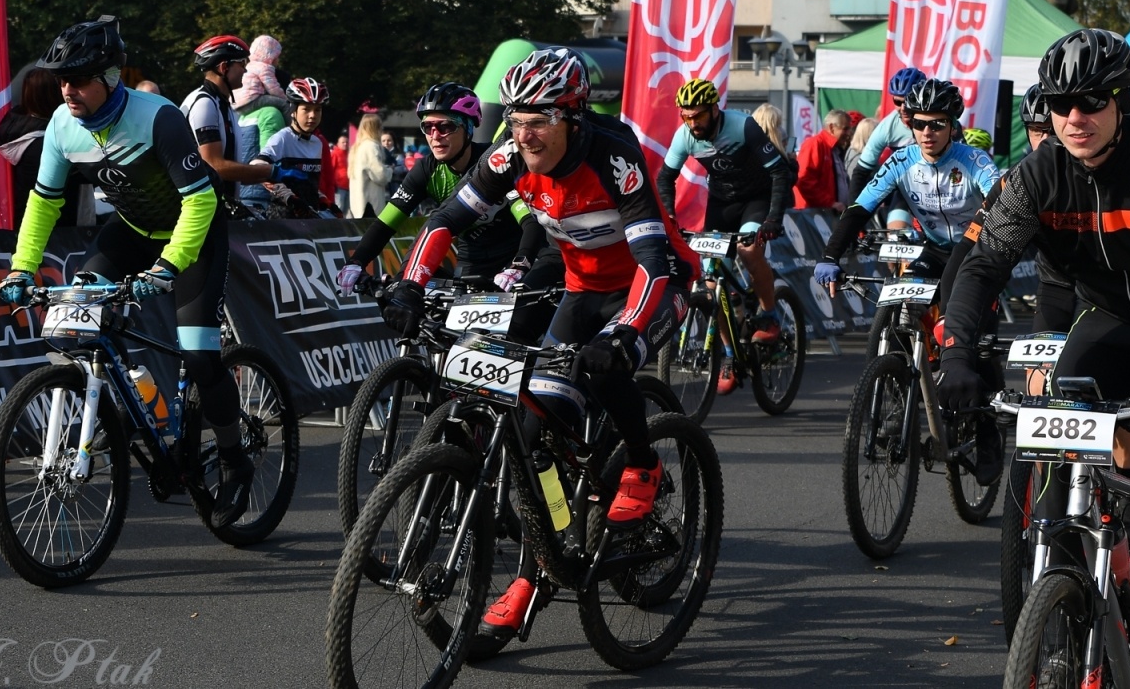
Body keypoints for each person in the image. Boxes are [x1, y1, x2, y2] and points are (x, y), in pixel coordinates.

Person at [937, 28, 1130, 688]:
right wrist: (959, 351)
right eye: (1060, 105)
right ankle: (1069, 605)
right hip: (1104, 322)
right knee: (1052, 449)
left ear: (1120, 103)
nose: (1074, 118)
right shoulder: (1038, 173)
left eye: (1090, 103)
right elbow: (982, 266)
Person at [379, 47, 697, 637]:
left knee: (606, 368)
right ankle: (538, 569)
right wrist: (409, 285)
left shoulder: (615, 157)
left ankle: (644, 462)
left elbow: (652, 257)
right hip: (581, 287)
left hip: (650, 283)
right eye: (516, 120)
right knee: (531, 429)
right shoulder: (509, 155)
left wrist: (626, 334)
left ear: (573, 117)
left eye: (538, 121)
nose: (523, 134)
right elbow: (447, 217)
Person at [0, 17, 254, 528]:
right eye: (61, 79)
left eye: (79, 78)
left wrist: (167, 268)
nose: (66, 89)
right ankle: (143, 412)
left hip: (194, 236)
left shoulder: (157, 118)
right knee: (80, 329)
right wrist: (22, 268)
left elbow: (200, 202)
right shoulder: (61, 127)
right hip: (131, 232)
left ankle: (233, 460)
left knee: (201, 357)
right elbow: (43, 204)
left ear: (110, 78)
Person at [812, 77, 1002, 479]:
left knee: (977, 346)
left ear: (953, 125)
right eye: (919, 124)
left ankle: (988, 435)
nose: (927, 132)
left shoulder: (975, 161)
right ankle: (901, 401)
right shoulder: (901, 161)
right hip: (933, 249)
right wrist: (831, 254)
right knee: (900, 311)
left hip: (978, 251)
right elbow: (859, 208)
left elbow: (998, 205)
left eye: (936, 124)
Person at [336, 82, 553, 332]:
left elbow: (530, 221)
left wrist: (520, 264)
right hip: (471, 263)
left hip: (513, 260)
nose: (435, 136)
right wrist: (357, 261)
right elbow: (386, 224)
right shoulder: (426, 170)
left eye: (445, 126)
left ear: (469, 127)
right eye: (428, 127)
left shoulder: (494, 163)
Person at [656, 79, 795, 394]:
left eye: (699, 116)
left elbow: (779, 172)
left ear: (714, 109)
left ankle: (770, 316)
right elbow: (665, 178)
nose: (693, 123)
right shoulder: (685, 136)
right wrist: (671, 218)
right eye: (686, 117)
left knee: (748, 252)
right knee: (709, 284)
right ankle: (730, 354)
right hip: (722, 203)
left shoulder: (742, 126)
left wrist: (774, 217)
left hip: (756, 200)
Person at [181, 35, 279, 202]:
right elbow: (214, 165)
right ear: (224, 67)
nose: (246, 70)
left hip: (221, 207)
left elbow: (236, 172)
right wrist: (270, 171)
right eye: (241, 64)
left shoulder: (224, 104)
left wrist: (277, 174)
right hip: (200, 209)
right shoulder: (204, 104)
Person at [0, 68, 83, 230]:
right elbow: (85, 173)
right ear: (54, 96)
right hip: (55, 229)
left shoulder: (16, 131)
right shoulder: (45, 142)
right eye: (62, 86)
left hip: (20, 221)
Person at [251, 78, 336, 212]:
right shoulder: (282, 138)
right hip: (283, 218)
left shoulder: (317, 143)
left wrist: (322, 199)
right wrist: (287, 195)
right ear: (293, 110)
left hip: (309, 216)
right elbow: (255, 167)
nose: (312, 115)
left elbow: (309, 184)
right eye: (306, 109)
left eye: (317, 110)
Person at [846, 66, 926, 197]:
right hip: (908, 190)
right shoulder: (888, 126)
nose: (903, 108)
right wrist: (851, 213)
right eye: (898, 102)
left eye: (909, 101)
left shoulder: (942, 120)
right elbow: (860, 172)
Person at [795, 108, 854, 211]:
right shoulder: (815, 144)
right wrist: (830, 203)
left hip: (825, 214)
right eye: (845, 129)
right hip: (814, 216)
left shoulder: (834, 149)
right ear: (832, 128)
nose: (848, 133)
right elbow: (804, 180)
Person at [347, 114, 391, 219]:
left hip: (358, 204)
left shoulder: (358, 147)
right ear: (375, 128)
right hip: (370, 205)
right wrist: (389, 170)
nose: (382, 130)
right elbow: (380, 175)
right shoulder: (371, 147)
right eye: (380, 127)